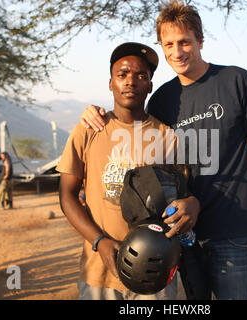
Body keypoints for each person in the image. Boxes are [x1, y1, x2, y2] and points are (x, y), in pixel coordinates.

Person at [79, 1, 247, 300]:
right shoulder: (162, 100)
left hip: (232, 229)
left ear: (200, 41)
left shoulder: (237, 81)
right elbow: (134, 129)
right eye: (168, 43)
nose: (177, 51)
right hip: (179, 234)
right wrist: (95, 113)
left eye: (185, 42)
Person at [56, 42, 199, 300]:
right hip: (99, 272)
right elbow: (67, 195)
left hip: (155, 272)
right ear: (111, 83)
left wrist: (192, 204)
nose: (130, 81)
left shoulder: (167, 137)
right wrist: (100, 242)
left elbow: (182, 197)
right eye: (122, 75)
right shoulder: (88, 130)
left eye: (140, 76)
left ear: (150, 86)